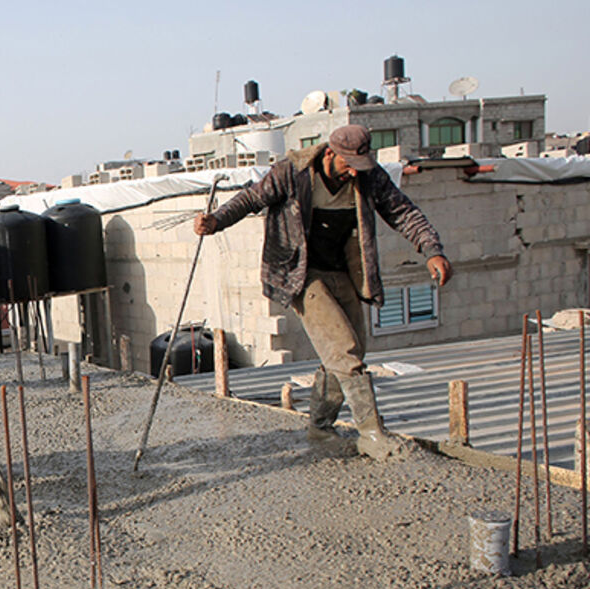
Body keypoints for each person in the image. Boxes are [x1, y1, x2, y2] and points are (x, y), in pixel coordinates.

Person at [194, 125, 453, 459]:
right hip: (302, 274)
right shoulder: (292, 172)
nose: (352, 173)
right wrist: (216, 221)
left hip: (344, 271)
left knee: (350, 351)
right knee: (344, 351)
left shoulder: (367, 176)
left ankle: (320, 429)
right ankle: (373, 434)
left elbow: (402, 212)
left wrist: (431, 249)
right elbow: (251, 198)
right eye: (348, 165)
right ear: (330, 154)